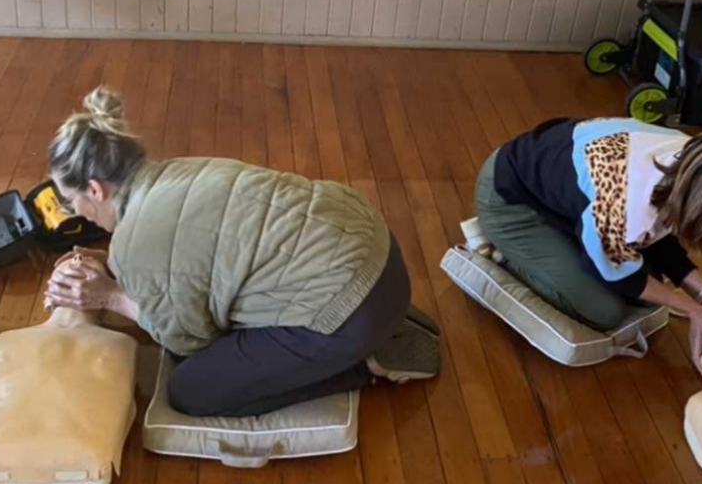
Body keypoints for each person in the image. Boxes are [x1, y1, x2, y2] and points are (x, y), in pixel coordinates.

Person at [42, 87, 440, 417]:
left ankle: (364, 364)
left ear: (95, 189)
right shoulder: (179, 170)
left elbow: (186, 341)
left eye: (70, 199)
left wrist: (111, 296)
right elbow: (199, 251)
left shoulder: (138, 243)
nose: (73, 211)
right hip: (378, 251)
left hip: (353, 308)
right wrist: (120, 267)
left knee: (192, 387)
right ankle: (388, 323)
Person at [476, 117, 702, 371]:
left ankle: (572, 240)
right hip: (509, 201)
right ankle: (499, 253)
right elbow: (615, 269)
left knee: (647, 289)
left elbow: (658, 238)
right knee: (605, 311)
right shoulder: (627, 203)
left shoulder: (697, 164)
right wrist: (693, 308)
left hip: (558, 190)